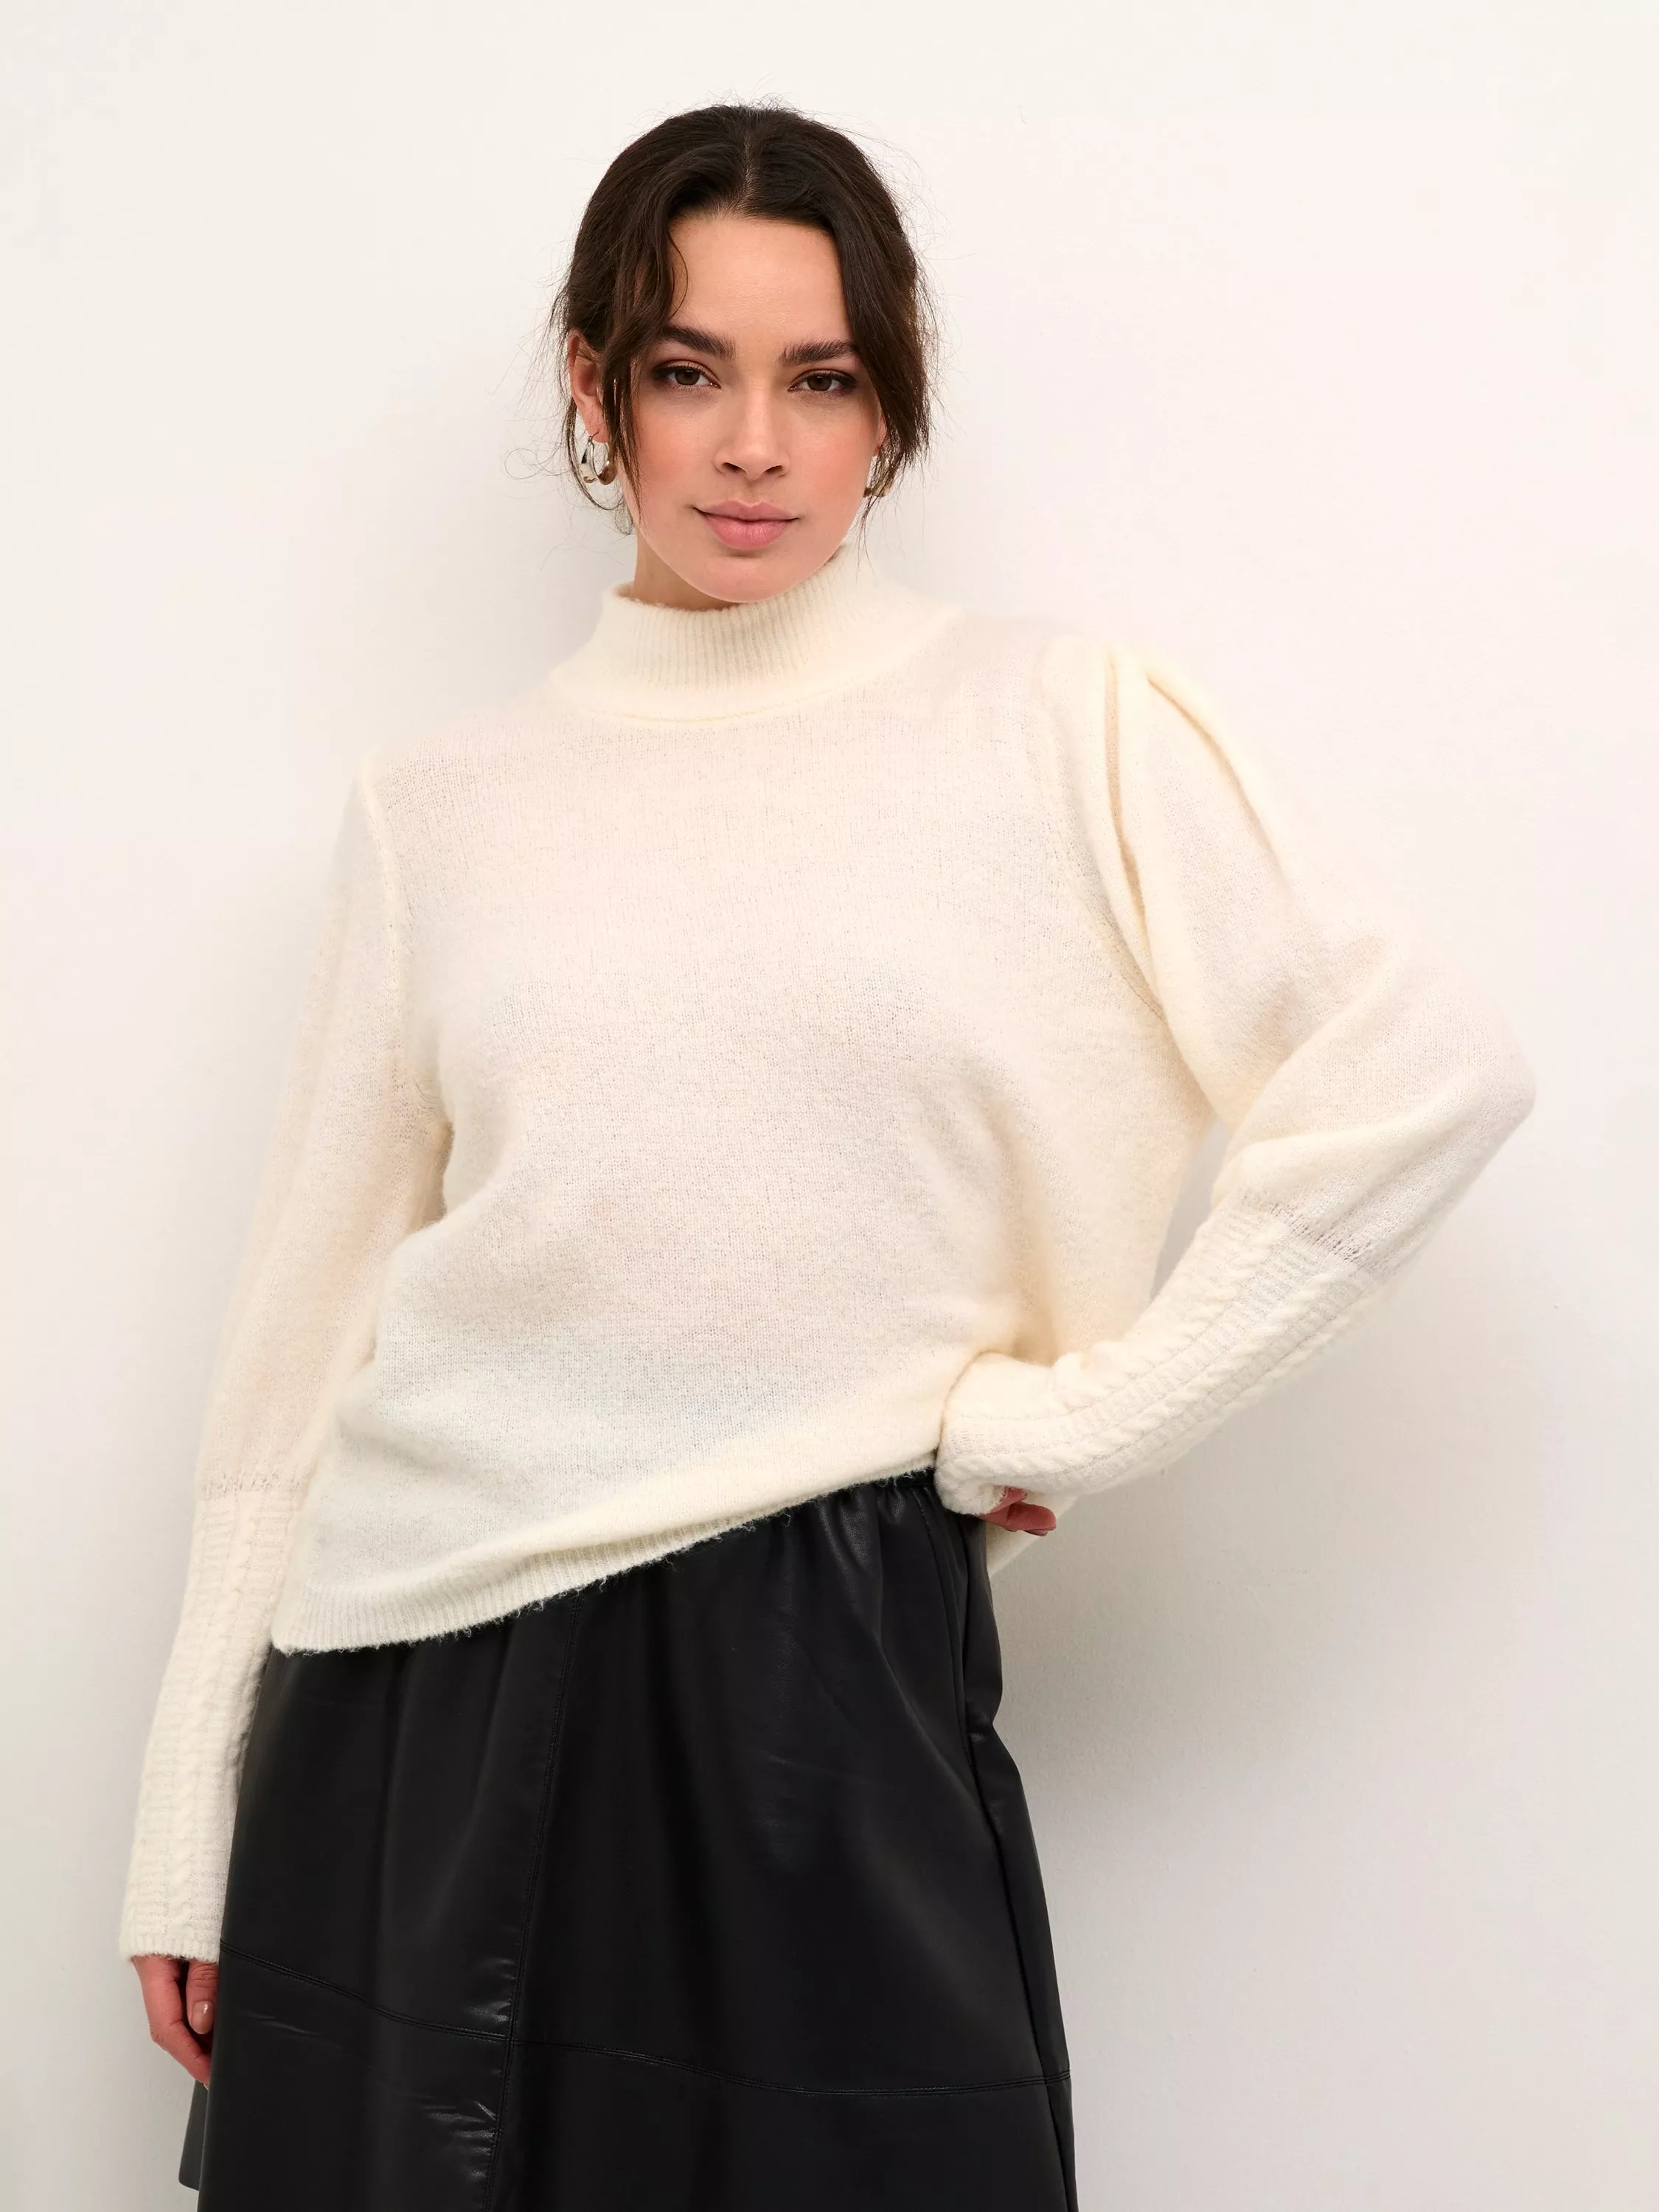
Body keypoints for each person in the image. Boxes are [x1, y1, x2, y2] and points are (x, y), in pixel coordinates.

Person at [120, 101, 1536, 2211]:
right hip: (407, 1698)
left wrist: (1084, 1415)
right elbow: (303, 1336)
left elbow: (1424, 1072)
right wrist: (187, 1817)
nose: (756, 446)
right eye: (689, 371)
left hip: (817, 1673)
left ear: (893, 404)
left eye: (823, 378)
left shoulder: (1065, 726)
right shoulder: (442, 807)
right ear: (596, 389)